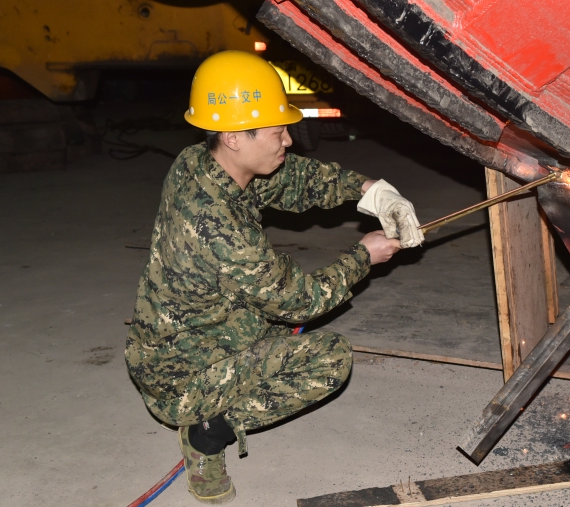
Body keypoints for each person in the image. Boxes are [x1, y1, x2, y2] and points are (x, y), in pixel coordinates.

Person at [124, 50, 424, 504]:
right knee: (330, 358)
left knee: (275, 319)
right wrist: (364, 256)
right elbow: (301, 300)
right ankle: (206, 434)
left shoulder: (198, 161)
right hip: (181, 376)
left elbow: (293, 180)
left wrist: (371, 192)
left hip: (186, 334)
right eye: (277, 130)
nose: (288, 139)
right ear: (233, 137)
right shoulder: (217, 225)